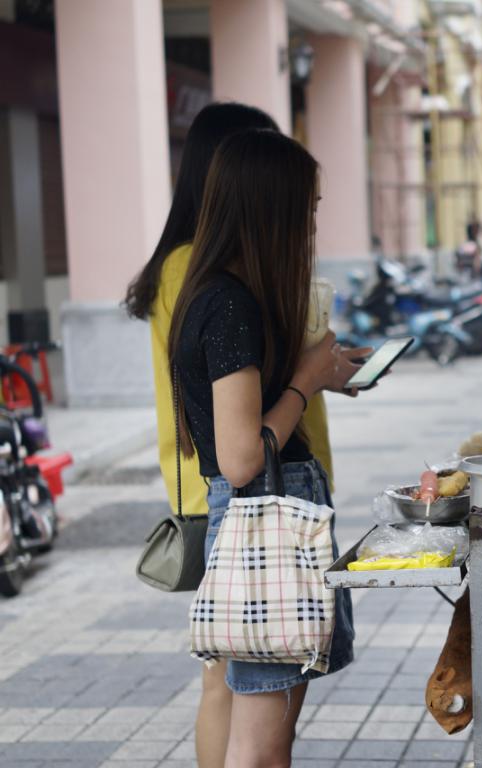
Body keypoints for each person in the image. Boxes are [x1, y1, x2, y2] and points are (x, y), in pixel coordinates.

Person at [123, 104, 359, 767]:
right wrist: (307, 380)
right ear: (271, 213)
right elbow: (242, 456)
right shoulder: (228, 306)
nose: (313, 225)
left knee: (266, 735)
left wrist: (314, 371)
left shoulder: (225, 297)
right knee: (259, 748)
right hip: (259, 528)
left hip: (264, 524)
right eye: (307, 209)